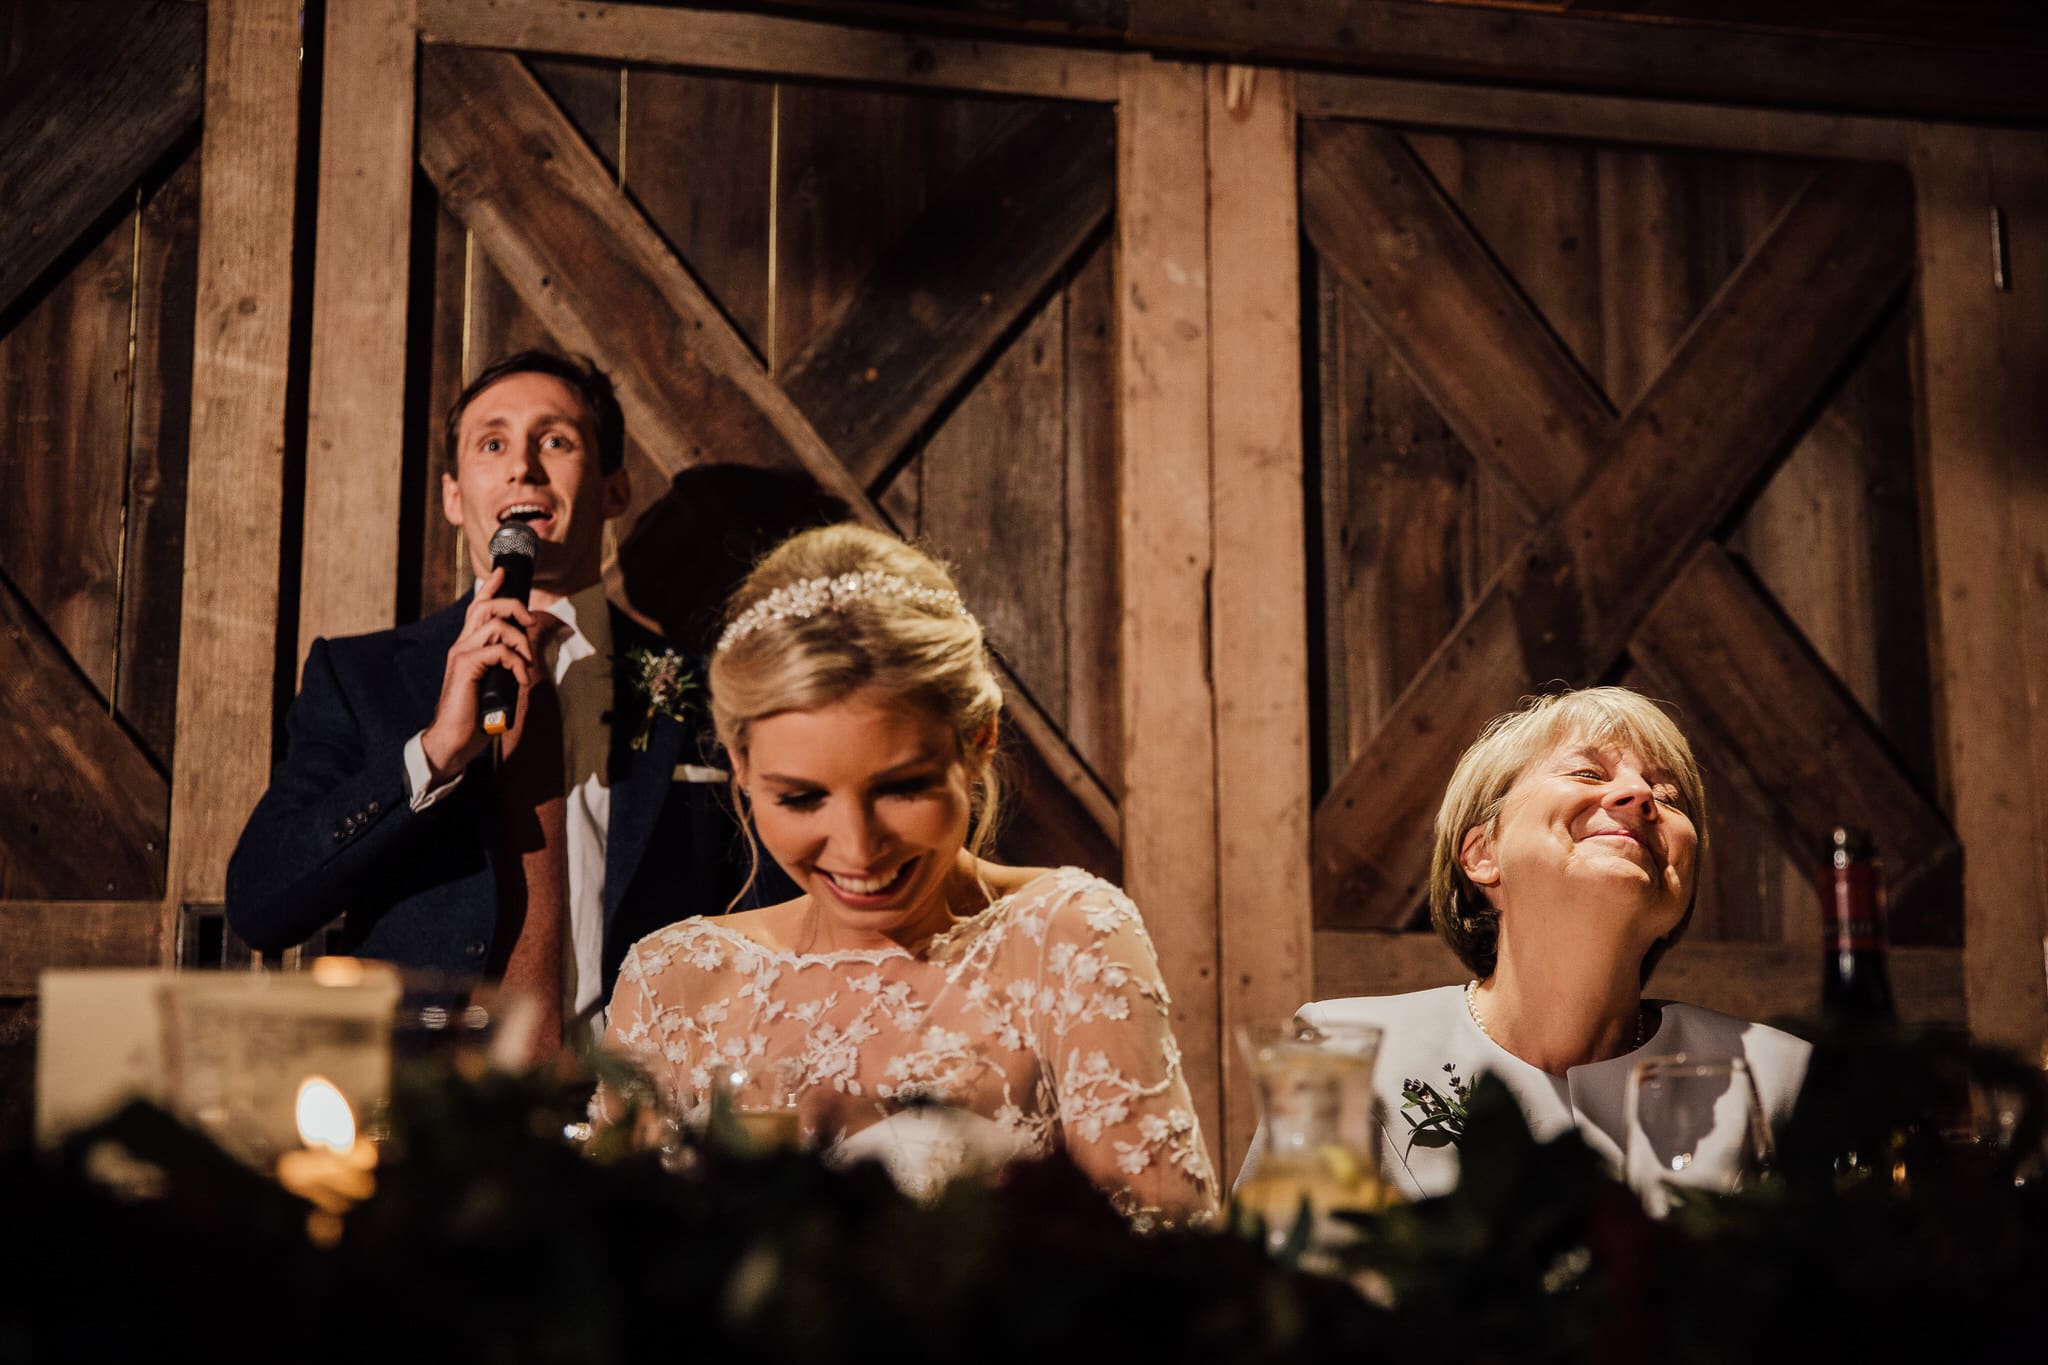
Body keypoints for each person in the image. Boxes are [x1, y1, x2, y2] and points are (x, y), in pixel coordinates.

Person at [599, 524, 1219, 1219]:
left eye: (902, 788)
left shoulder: (1066, 938)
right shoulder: (672, 981)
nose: (859, 849)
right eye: (801, 797)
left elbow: (1171, 1278)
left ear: (978, 740)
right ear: (741, 767)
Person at [226, 350, 786, 1052]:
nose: (523, 465)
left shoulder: (709, 689)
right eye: (493, 444)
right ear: (455, 495)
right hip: (427, 1123)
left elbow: (774, 914)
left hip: (643, 1121)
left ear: (614, 489)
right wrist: (434, 755)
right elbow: (260, 905)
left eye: (556, 440)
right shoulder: (361, 676)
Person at [1272, 686, 1809, 1200]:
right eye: (1585, 772)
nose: (1642, 796)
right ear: (1483, 854)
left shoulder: (1783, 1078)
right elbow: (1277, 1285)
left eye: (1669, 798)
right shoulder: (1337, 1057)